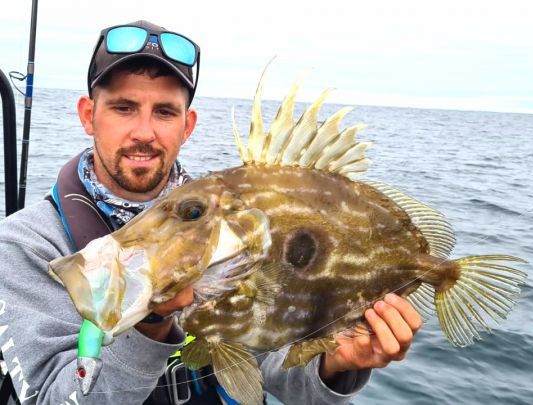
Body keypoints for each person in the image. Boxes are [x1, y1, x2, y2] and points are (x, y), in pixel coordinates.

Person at [0, 20, 423, 404]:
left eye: (165, 112)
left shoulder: (231, 226)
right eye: (123, 107)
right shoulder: (27, 245)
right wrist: (151, 326)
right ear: (89, 115)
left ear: (188, 125)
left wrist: (337, 366)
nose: (144, 132)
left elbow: (275, 371)